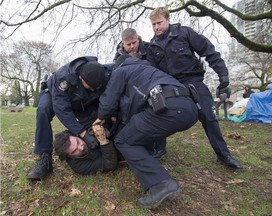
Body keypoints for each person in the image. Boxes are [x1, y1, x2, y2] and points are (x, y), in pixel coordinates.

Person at [94, 55, 199, 208]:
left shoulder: (120, 71)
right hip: (189, 109)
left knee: (123, 140)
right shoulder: (147, 69)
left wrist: (100, 118)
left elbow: (108, 101)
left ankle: (160, 184)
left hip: (169, 108)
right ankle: (149, 163)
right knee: (139, 131)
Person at [147, 7, 243, 170]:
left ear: (167, 20)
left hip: (193, 80)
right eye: (153, 24)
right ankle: (160, 149)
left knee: (208, 115)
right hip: (171, 85)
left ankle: (223, 154)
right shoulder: (152, 47)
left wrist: (223, 77)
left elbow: (210, 52)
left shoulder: (184, 33)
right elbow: (151, 72)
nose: (156, 27)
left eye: (159, 23)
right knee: (158, 112)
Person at [27, 56, 114, 180]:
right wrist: (83, 134)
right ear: (80, 77)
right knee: (43, 110)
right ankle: (44, 159)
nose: (94, 89)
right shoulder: (64, 78)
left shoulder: (98, 71)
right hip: (55, 96)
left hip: (80, 102)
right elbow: (62, 109)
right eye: (91, 86)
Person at [113, 27, 167, 159]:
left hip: (153, 87)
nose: (132, 47)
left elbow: (160, 69)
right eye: (128, 44)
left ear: (138, 39)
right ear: (122, 43)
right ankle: (144, 146)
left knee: (158, 116)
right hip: (133, 93)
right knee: (141, 120)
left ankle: (160, 148)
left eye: (134, 43)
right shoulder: (118, 56)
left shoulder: (149, 49)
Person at [53, 124, 118, 175]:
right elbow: (109, 164)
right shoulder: (79, 166)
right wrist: (103, 141)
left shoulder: (80, 129)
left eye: (78, 142)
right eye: (75, 151)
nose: (81, 148)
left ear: (75, 136)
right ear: (69, 156)